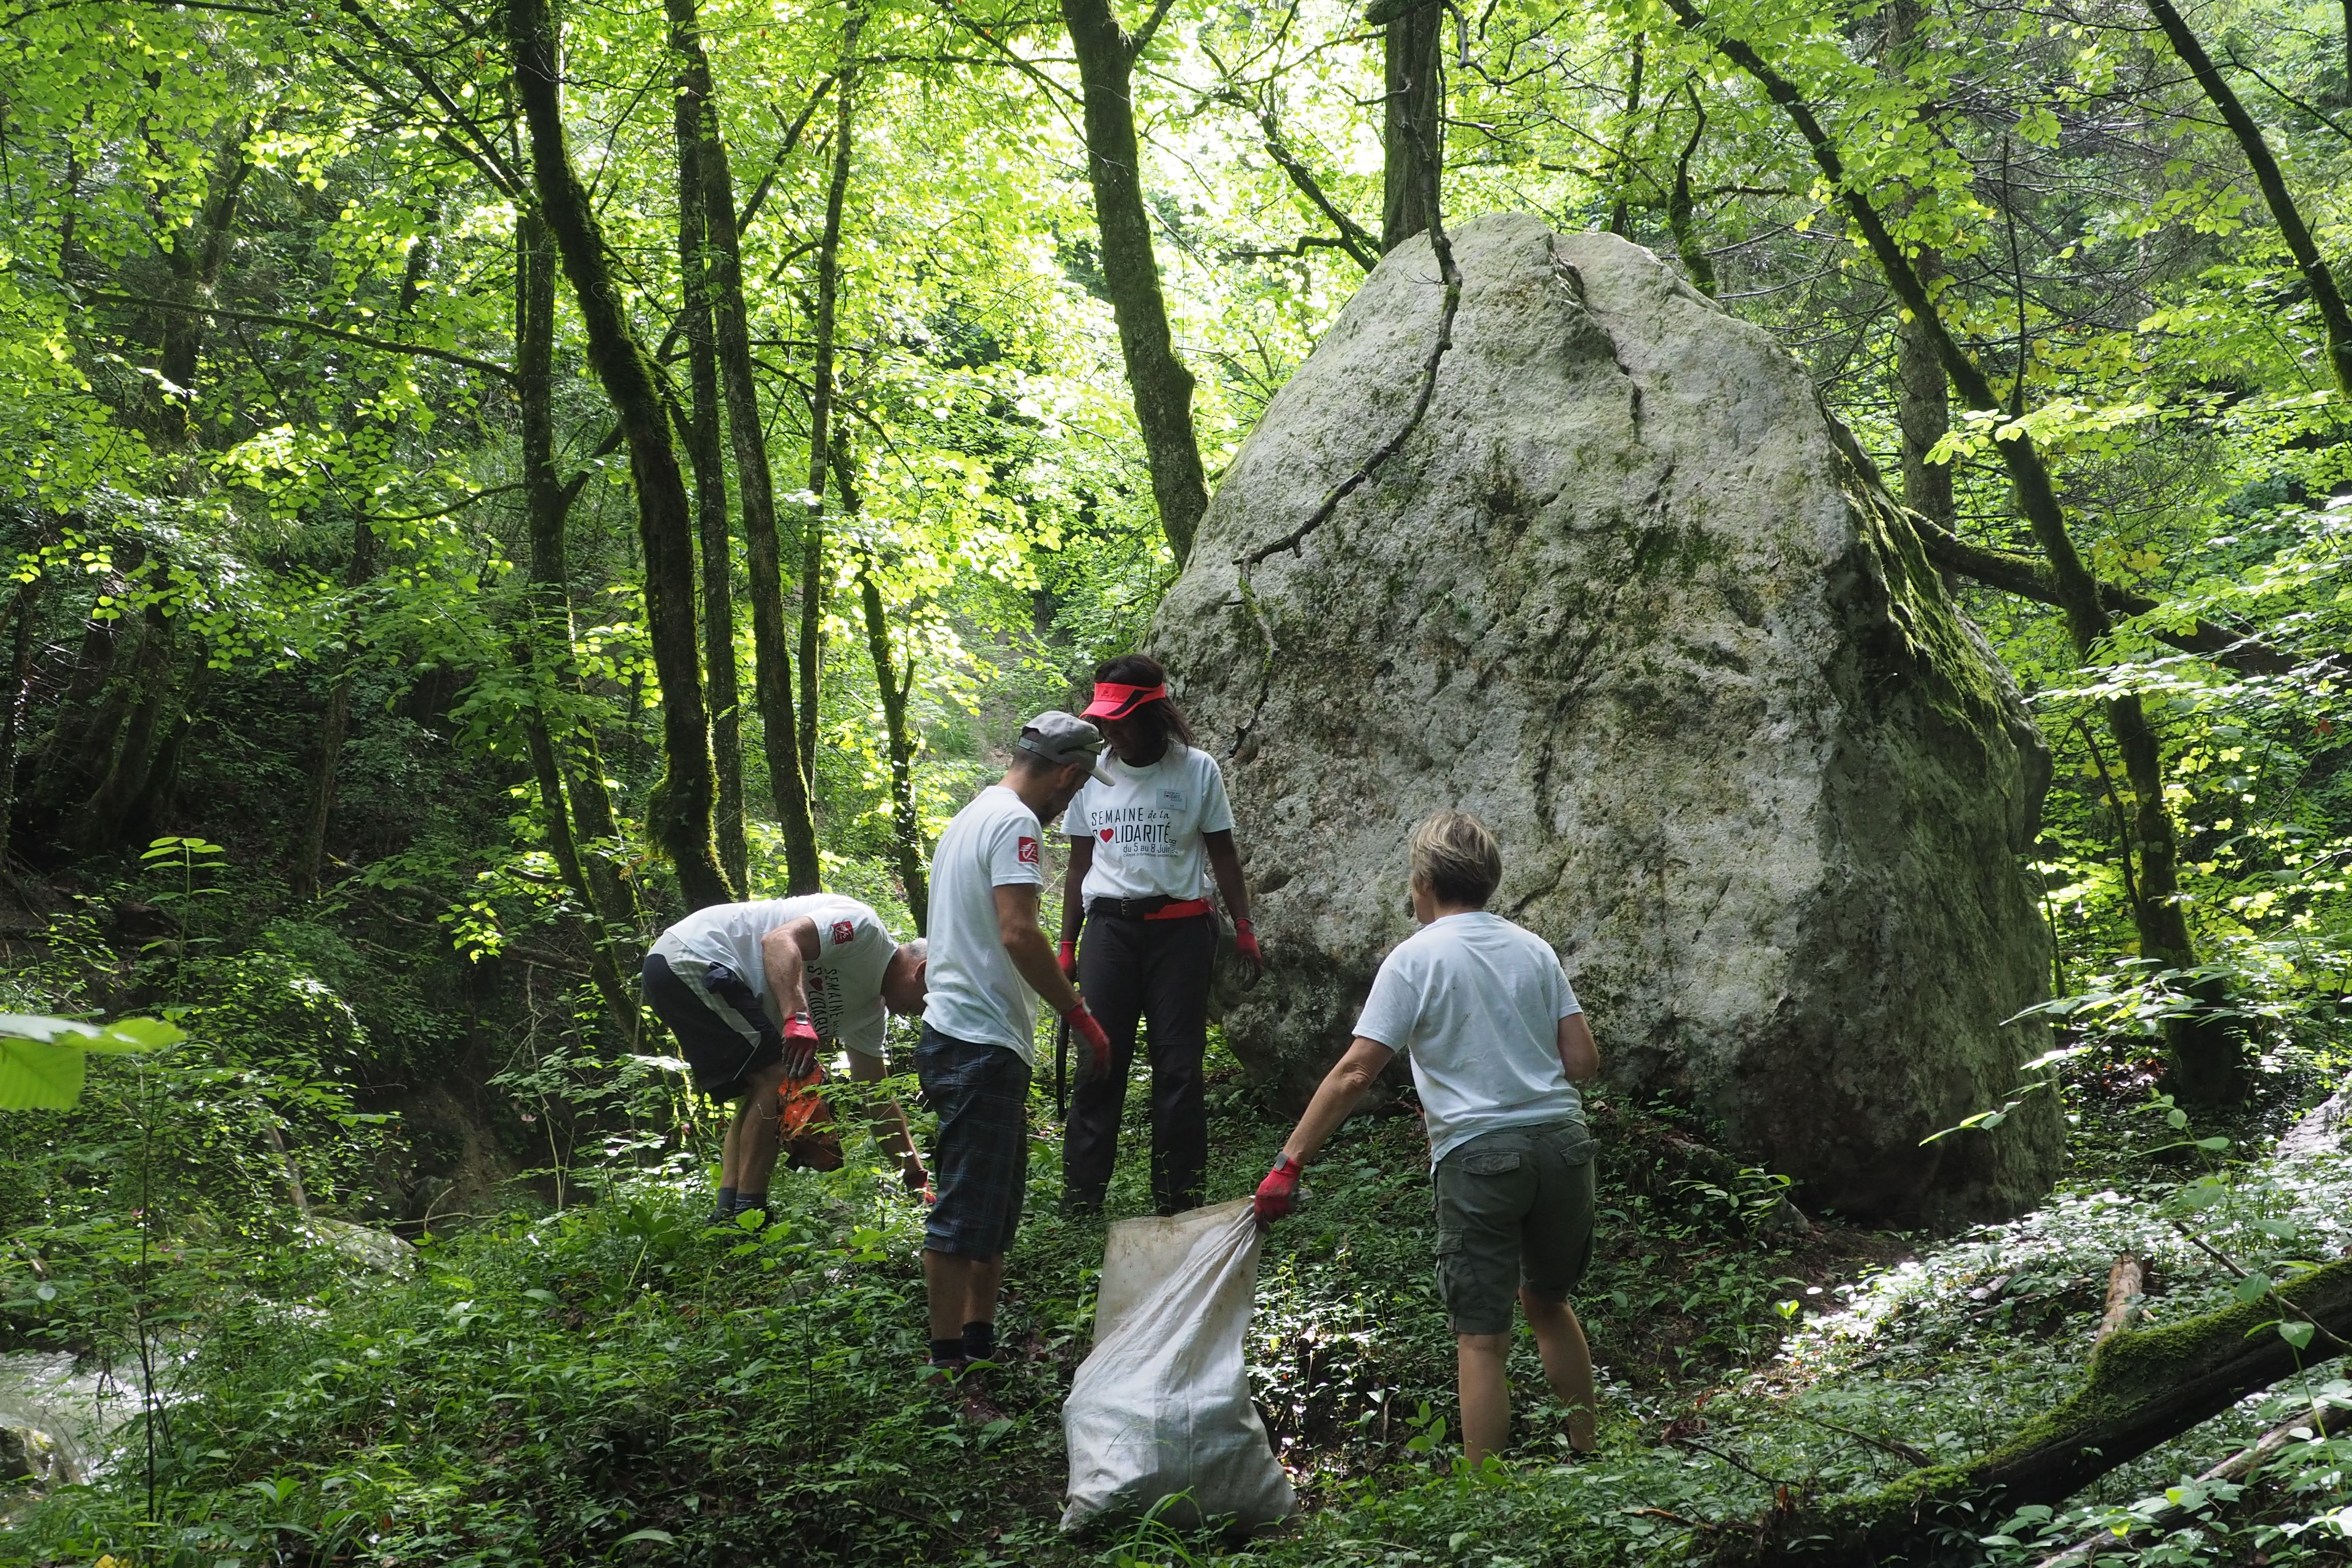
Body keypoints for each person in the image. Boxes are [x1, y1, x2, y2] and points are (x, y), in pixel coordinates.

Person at [1253, 811, 1602, 1465]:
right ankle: (1587, 1453)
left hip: (1481, 1156)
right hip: (1563, 1145)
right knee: (1549, 1302)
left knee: (1481, 1338)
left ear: (1425, 882)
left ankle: (1483, 1493)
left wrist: (1289, 1162)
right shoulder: (1534, 949)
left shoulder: (1414, 959)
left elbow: (1355, 1073)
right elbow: (1582, 1061)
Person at [919, 711, 1115, 1376]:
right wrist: (1079, 1015)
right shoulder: (1016, 825)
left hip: (968, 1035)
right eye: (1079, 784)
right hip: (977, 1039)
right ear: (1067, 775)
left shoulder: (972, 815)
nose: (1073, 799)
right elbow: (1018, 931)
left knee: (994, 1206)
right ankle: (949, 1366)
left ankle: (980, 1344)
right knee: (964, 1209)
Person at [1057, 654, 1262, 1216]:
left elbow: (1223, 852)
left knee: (1178, 1066)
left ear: (1153, 713)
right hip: (1109, 932)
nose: (1111, 731)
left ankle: (1179, 1199)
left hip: (1181, 934)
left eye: (1121, 720)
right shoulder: (1092, 775)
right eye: (1104, 721)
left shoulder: (1196, 770)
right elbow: (1078, 865)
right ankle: (1081, 1201)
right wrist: (1068, 944)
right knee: (1099, 1058)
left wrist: (1244, 927)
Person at [642, 895, 930, 1225]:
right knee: (778, 1078)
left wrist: (916, 1179)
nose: (925, 1014)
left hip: (685, 968)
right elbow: (779, 940)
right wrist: (798, 1017)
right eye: (931, 1002)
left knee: (762, 1088)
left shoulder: (870, 1017)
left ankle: (727, 1216)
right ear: (921, 972)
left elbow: (875, 1097)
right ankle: (749, 1215)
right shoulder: (863, 929)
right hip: (694, 954)